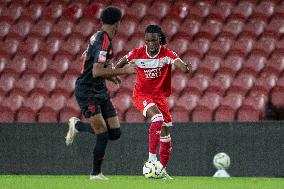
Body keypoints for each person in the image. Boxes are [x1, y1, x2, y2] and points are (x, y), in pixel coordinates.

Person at [65, 6, 137, 181]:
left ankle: (78, 126)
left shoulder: (97, 37)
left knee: (115, 133)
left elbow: (91, 61)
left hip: (99, 90)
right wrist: (123, 70)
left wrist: (111, 75)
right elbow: (96, 71)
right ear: (117, 23)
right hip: (87, 91)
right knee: (102, 133)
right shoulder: (103, 41)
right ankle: (95, 174)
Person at [115, 25, 191, 179]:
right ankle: (152, 160)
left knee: (166, 131)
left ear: (159, 40)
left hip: (159, 97)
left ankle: (161, 170)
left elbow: (181, 65)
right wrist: (117, 73)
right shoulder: (137, 53)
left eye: (154, 40)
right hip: (141, 94)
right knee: (157, 118)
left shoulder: (166, 53)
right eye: (148, 40)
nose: (150, 44)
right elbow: (119, 64)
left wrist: (186, 68)